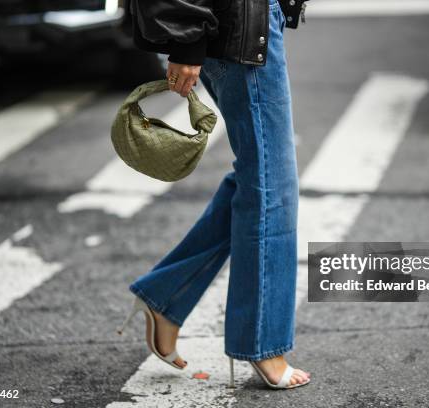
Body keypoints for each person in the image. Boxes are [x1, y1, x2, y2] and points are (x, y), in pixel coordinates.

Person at [118, 0, 311, 389]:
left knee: (260, 179)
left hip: (247, 19)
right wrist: (187, 42)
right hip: (237, 22)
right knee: (271, 186)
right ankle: (263, 343)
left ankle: (165, 299)